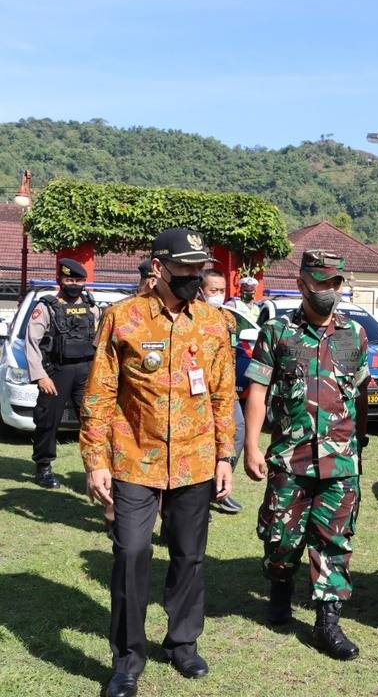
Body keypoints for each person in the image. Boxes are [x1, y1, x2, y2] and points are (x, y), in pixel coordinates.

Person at [81, 228, 235, 697]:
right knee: (130, 553)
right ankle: (127, 658)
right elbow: (99, 394)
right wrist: (95, 460)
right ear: (158, 267)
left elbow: (224, 393)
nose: (195, 275)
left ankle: (182, 642)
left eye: (199, 267)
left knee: (189, 556)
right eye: (185, 267)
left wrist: (225, 454)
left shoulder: (213, 323)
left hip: (196, 461)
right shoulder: (121, 318)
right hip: (132, 459)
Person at [243, 250, 369, 661]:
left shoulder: (356, 334)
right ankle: (280, 583)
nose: (329, 292)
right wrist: (250, 444)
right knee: (281, 538)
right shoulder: (277, 332)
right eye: (321, 284)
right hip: (290, 457)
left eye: (335, 284)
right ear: (301, 285)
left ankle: (327, 622)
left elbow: (361, 394)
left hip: (341, 459)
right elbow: (258, 390)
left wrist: (360, 442)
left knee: (333, 540)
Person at [26, 258, 102, 489]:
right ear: (60, 280)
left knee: (93, 422)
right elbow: (32, 342)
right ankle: (44, 467)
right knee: (48, 421)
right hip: (56, 372)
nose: (74, 284)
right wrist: (40, 376)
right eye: (69, 279)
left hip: (86, 372)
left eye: (79, 280)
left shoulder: (91, 306)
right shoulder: (46, 306)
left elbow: (100, 339)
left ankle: (96, 471)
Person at [200, 268, 244, 514]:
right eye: (212, 290)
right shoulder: (194, 317)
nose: (217, 294)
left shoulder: (228, 318)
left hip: (228, 390)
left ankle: (220, 486)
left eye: (221, 290)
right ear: (201, 291)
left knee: (237, 432)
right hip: (202, 391)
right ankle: (200, 497)